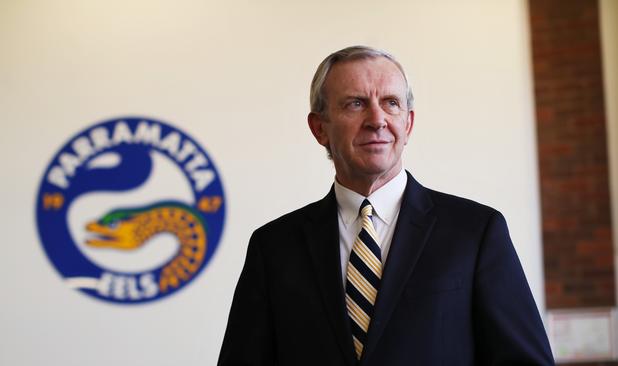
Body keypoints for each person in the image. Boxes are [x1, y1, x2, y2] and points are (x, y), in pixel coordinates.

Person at [218, 46, 554, 366]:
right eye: (355, 104)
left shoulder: (476, 232)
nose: (376, 119)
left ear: (407, 124)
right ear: (319, 128)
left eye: (391, 103)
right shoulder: (273, 247)